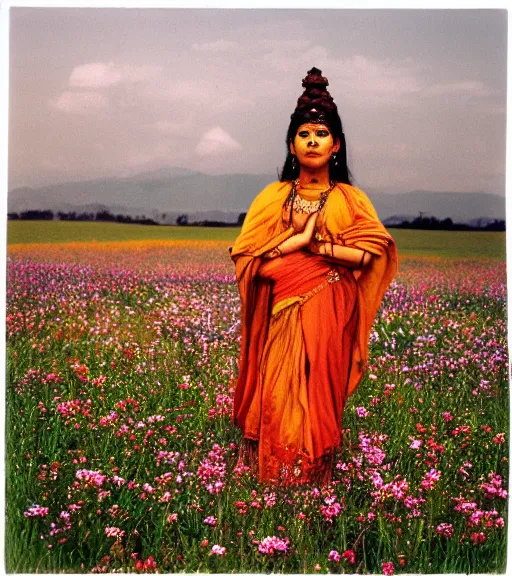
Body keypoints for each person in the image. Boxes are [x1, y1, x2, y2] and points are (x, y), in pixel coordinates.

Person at [230, 67, 398, 485]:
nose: (311, 141)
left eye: (320, 134)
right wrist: (295, 245)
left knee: (317, 390)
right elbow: (250, 259)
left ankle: (313, 478)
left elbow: (368, 255)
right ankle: (274, 472)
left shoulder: (349, 199)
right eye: (303, 134)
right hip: (279, 308)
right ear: (291, 144)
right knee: (277, 387)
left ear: (336, 144)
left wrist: (316, 247)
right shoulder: (272, 197)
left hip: (330, 309)